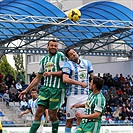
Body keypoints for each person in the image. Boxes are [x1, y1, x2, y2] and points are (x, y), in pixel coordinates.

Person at [19, 39, 66, 133]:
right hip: (45, 89)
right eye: (52, 45)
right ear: (47, 47)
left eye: (55, 46)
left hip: (56, 89)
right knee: (38, 113)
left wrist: (51, 73)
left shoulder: (60, 56)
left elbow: (64, 72)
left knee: (52, 115)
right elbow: (37, 77)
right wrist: (26, 89)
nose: (53, 47)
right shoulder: (44, 60)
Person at [62, 48, 94, 133]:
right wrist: (80, 83)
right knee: (69, 120)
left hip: (85, 95)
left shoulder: (87, 63)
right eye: (71, 54)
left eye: (74, 52)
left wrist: (92, 86)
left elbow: (92, 77)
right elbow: (65, 79)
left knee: (81, 118)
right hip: (72, 95)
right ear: (69, 58)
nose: (74, 54)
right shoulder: (68, 64)